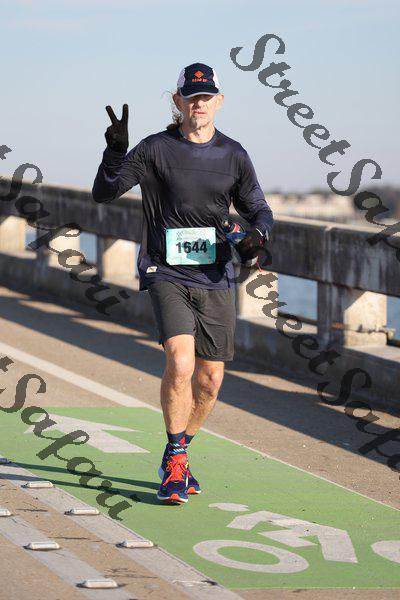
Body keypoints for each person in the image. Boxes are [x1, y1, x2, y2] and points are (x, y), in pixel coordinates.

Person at [92, 62, 274, 503]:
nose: (199, 104)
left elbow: (259, 210)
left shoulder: (233, 155)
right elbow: (104, 193)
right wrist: (114, 154)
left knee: (210, 381)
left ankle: (179, 449)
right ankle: (175, 461)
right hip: (165, 270)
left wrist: (257, 236)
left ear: (219, 101)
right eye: (191, 97)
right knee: (180, 361)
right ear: (177, 101)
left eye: (206, 97)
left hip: (215, 275)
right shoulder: (155, 149)